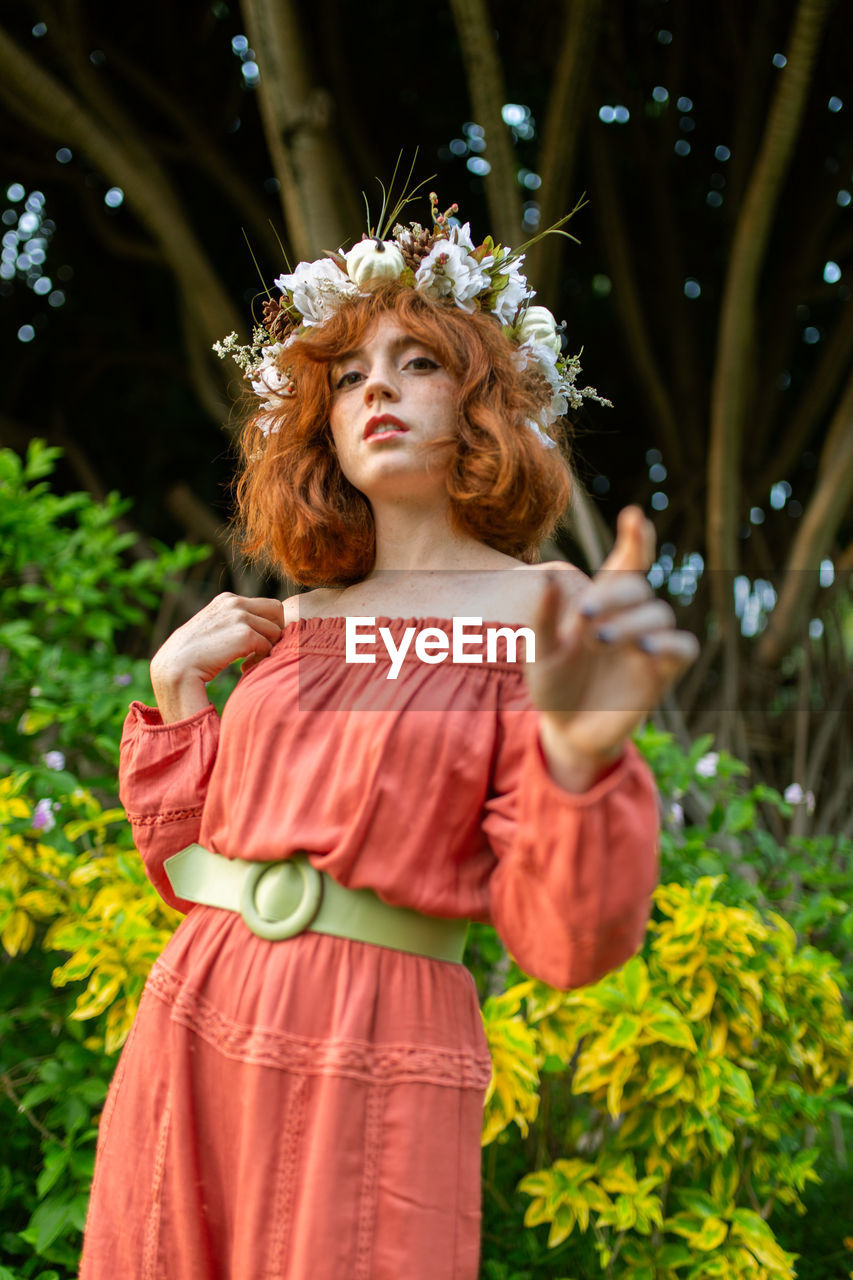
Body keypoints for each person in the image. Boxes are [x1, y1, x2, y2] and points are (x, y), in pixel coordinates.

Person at [79, 201, 698, 1279]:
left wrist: (579, 758)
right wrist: (178, 692)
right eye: (352, 373)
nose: (376, 389)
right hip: (192, 1013)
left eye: (417, 362)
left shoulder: (543, 609)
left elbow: (567, 943)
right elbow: (198, 877)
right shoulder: (304, 618)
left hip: (378, 1028)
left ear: (486, 404)